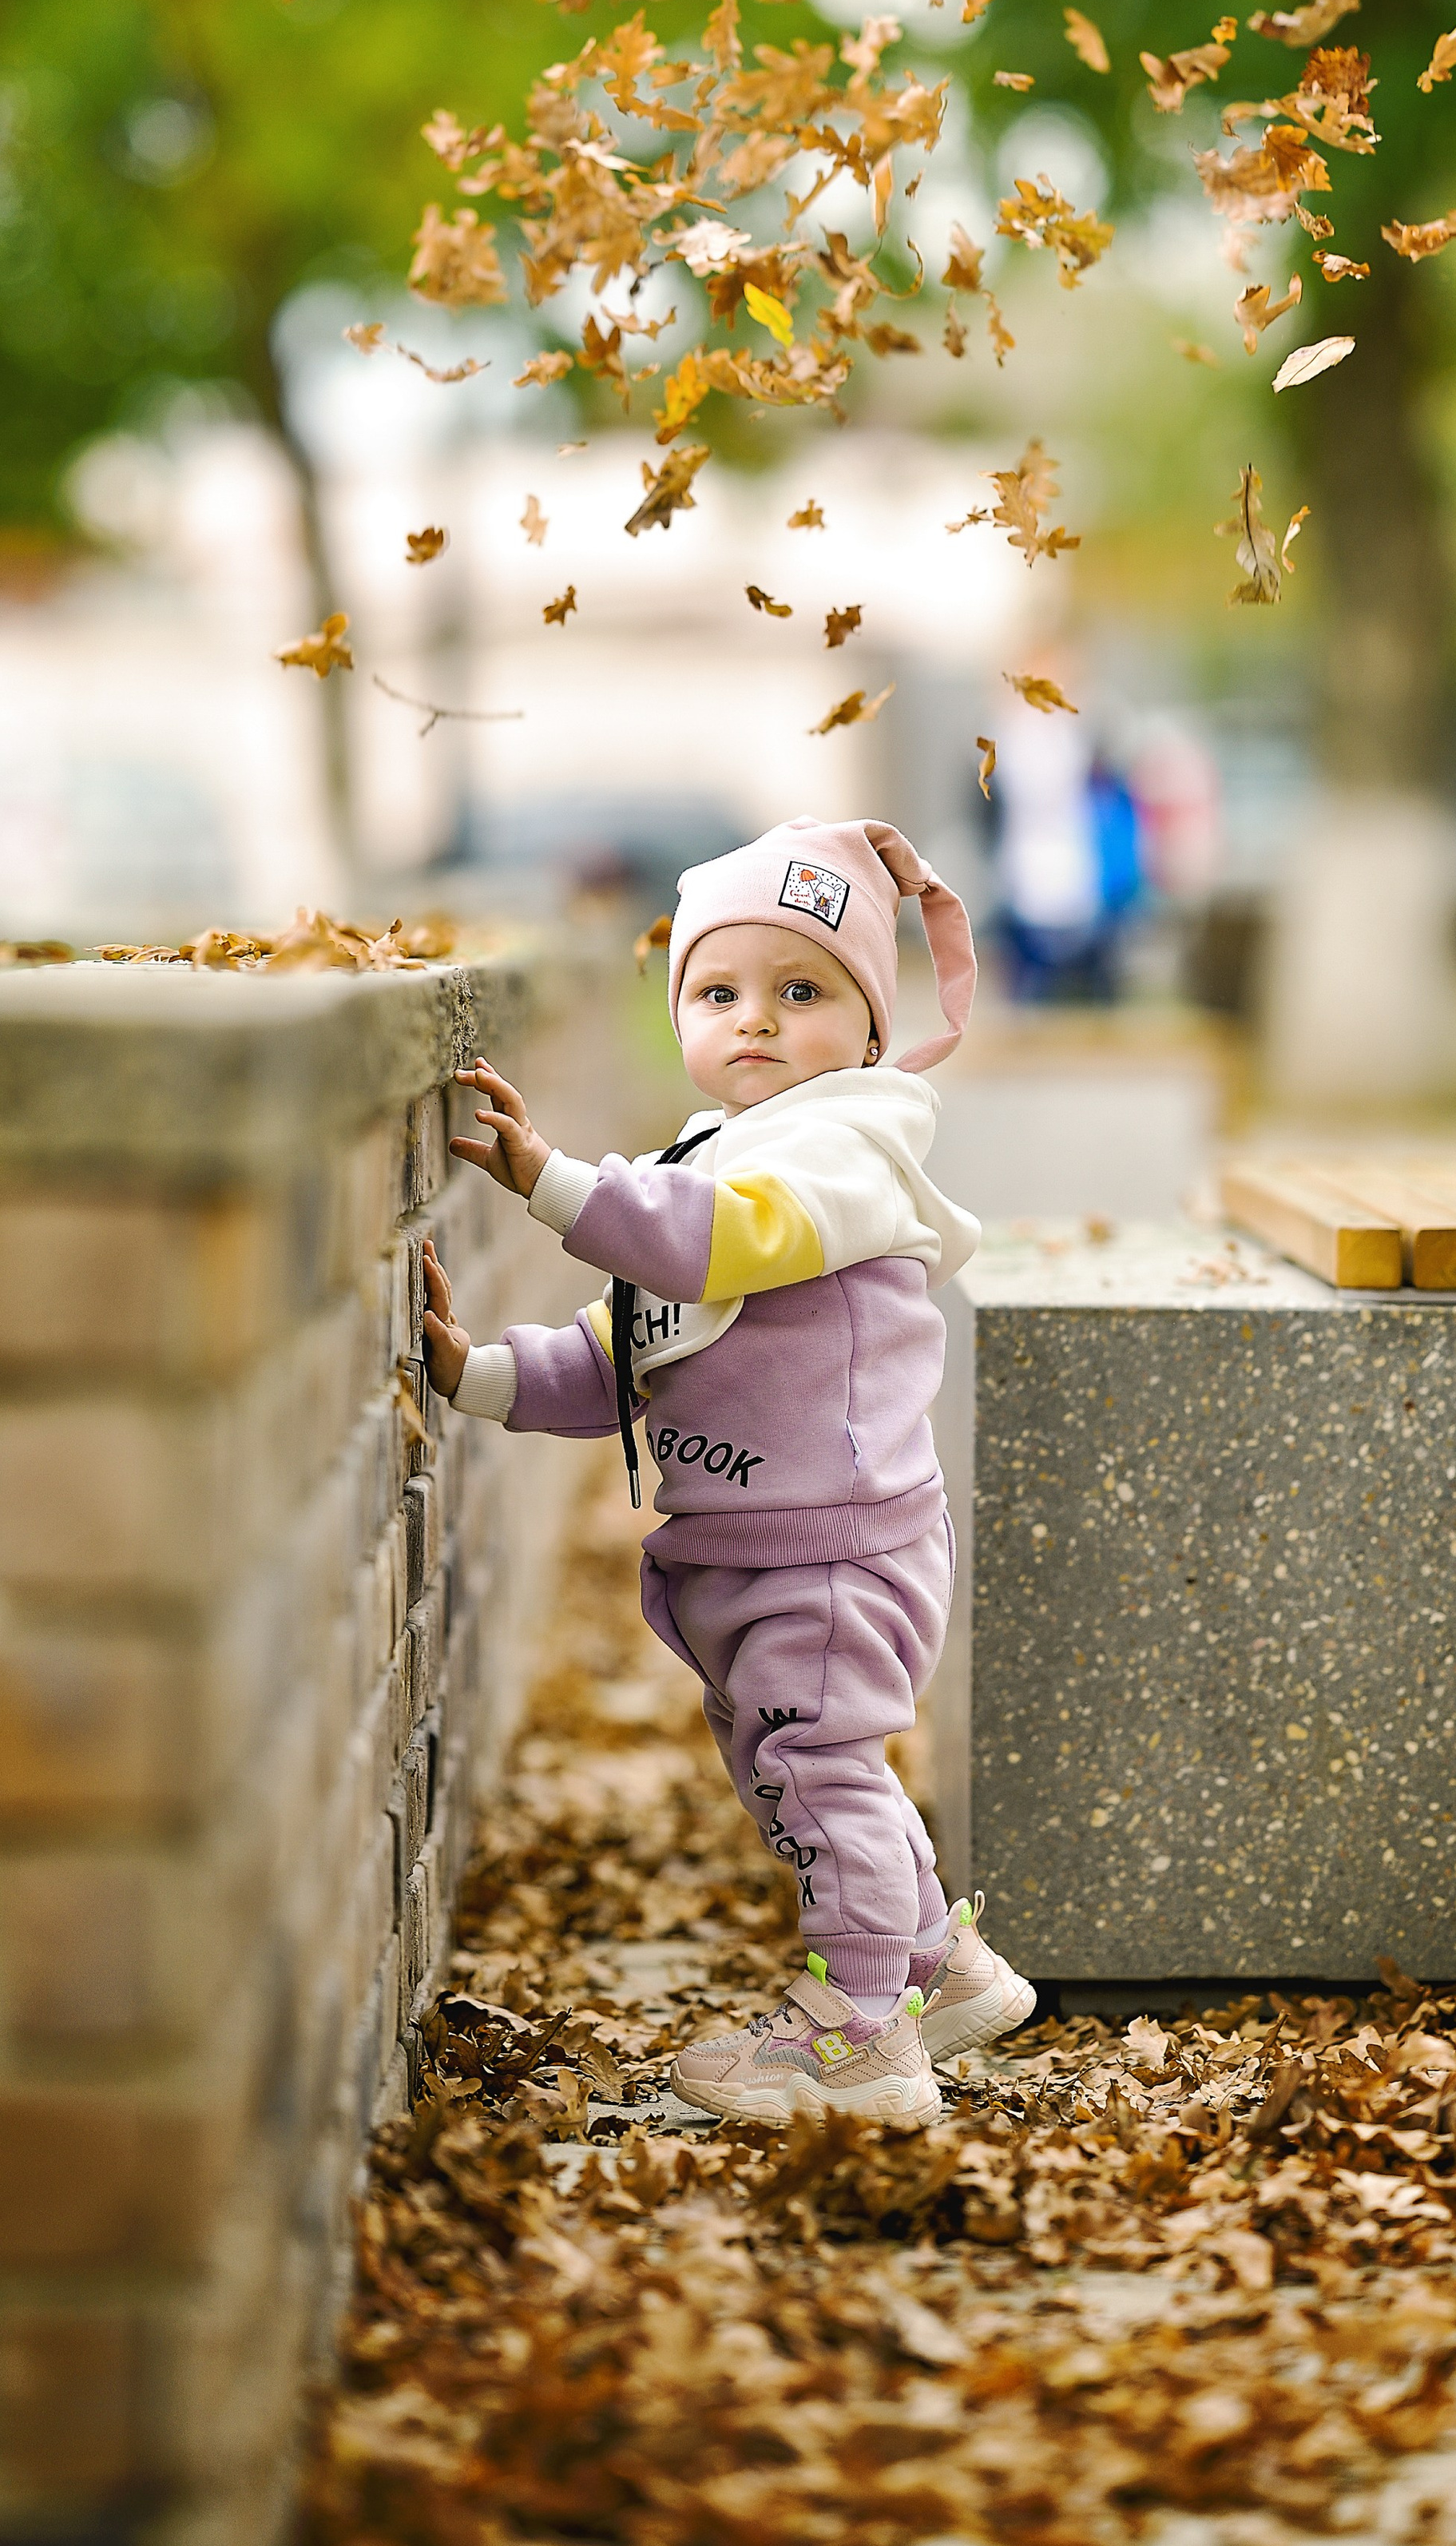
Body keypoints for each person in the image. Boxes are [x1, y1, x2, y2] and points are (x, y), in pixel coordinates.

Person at [420, 815, 1034, 2127]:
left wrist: (553, 1185)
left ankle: (865, 2035)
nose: (755, 1021)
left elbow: (717, 1251)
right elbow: (637, 1344)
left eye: (801, 992)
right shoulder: (717, 1151)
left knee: (820, 1767)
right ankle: (937, 1965)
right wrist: (475, 1371)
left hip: (832, 1544)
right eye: (719, 991)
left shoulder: (841, 1158)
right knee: (797, 1764)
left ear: (869, 1030)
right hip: (766, 1542)